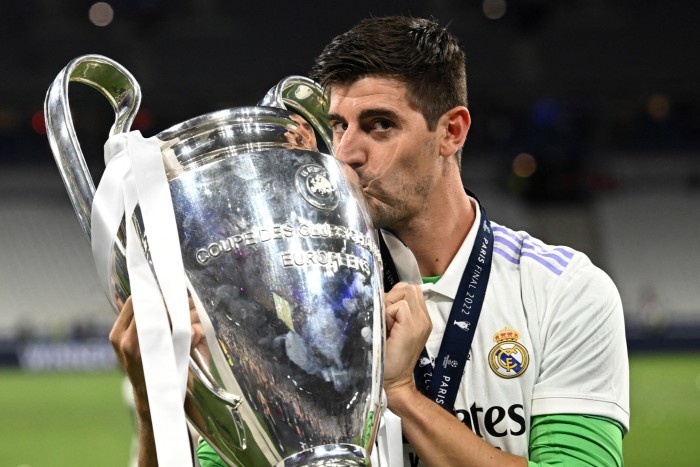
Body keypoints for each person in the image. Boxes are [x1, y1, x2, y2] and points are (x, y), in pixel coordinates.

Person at [111, 15, 629, 466]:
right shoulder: (289, 302)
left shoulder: (564, 292)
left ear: (451, 132)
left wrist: (403, 394)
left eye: (379, 125)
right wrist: (154, 398)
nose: (347, 153)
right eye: (338, 126)